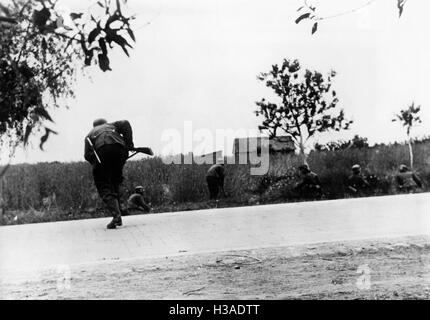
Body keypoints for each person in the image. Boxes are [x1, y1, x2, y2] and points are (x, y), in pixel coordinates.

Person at [84, 118, 134, 229]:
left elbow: (87, 155)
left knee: (103, 185)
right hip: (121, 150)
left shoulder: (89, 134)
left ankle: (117, 217)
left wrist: (98, 164)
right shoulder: (112, 125)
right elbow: (126, 123)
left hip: (103, 151)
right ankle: (122, 208)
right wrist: (129, 144)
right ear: (105, 122)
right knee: (116, 180)